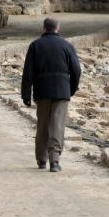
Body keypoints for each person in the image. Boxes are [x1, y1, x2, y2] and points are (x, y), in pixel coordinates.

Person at [21, 18, 82, 173]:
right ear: (58, 28)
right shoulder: (67, 46)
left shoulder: (35, 45)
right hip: (62, 90)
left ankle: (41, 159)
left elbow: (28, 72)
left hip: (42, 90)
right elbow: (76, 70)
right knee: (57, 125)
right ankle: (54, 161)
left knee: (42, 125)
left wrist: (26, 94)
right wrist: (71, 89)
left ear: (43, 28)